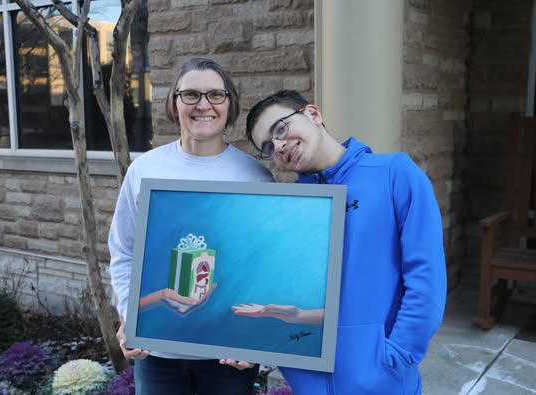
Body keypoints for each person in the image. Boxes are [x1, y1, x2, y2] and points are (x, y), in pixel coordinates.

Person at [244, 90, 447, 394]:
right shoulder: (289, 208)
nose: (280, 146)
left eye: (281, 129)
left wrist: (395, 358)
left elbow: (426, 279)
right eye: (268, 147)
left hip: (383, 380)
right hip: (308, 382)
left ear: (312, 114)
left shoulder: (395, 173)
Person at [108, 57, 274, 395]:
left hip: (228, 352)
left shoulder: (254, 176)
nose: (203, 105)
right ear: (174, 102)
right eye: (191, 95)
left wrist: (258, 342)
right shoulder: (145, 170)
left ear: (229, 103)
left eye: (216, 95)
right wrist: (131, 317)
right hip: (158, 350)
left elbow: (264, 267)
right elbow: (124, 251)